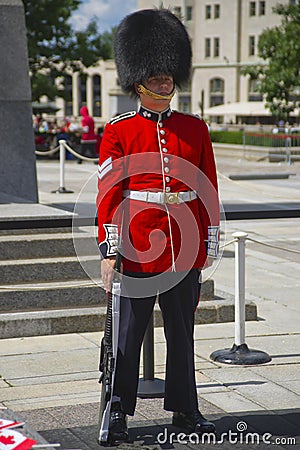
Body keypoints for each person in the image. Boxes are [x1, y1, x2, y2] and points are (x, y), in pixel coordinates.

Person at [97, 8, 220, 444]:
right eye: (157, 75)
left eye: (169, 74)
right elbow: (109, 194)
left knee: (182, 336)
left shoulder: (195, 129)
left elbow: (206, 189)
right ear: (138, 80)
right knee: (127, 339)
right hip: (135, 247)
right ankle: (118, 413)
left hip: (183, 249)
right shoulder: (119, 131)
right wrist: (110, 249)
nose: (165, 81)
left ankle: (186, 409)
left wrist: (208, 240)